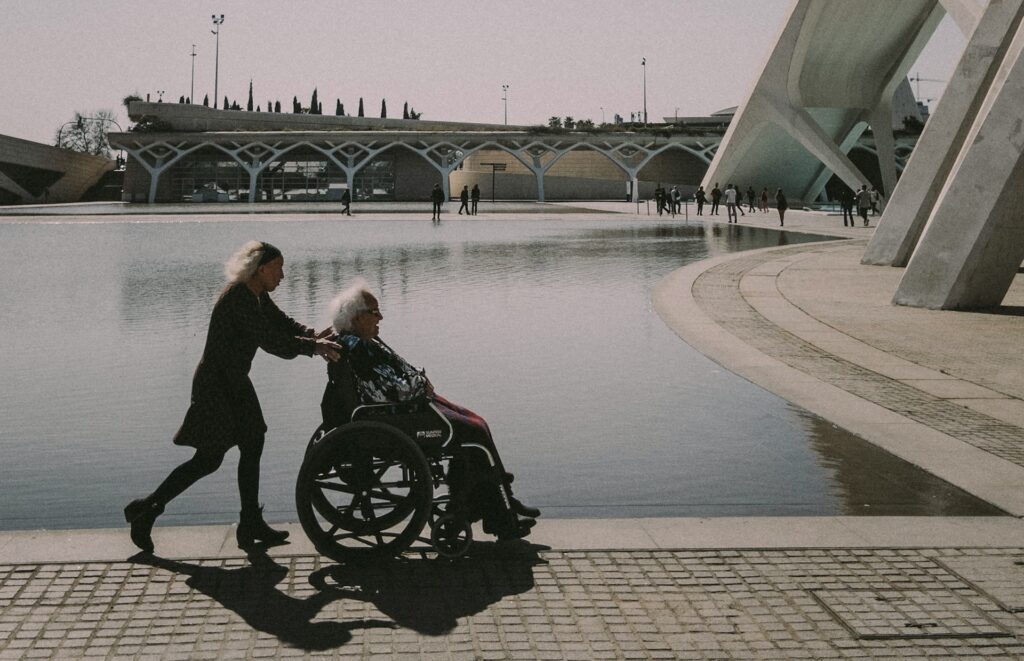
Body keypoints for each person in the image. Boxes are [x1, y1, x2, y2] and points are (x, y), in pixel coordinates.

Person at [124, 241, 343, 553]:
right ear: (261, 269)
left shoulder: (256, 294)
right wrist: (312, 347)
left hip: (234, 382)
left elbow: (282, 324)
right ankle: (147, 508)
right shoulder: (239, 296)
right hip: (216, 386)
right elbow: (269, 340)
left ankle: (250, 522)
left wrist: (314, 335)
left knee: (253, 441)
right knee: (208, 459)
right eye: (278, 269)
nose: (282, 276)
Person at [321, 280, 540, 541]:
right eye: (374, 312)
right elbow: (390, 391)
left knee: (476, 424)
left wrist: (419, 383)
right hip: (396, 418)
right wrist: (421, 382)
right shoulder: (357, 348)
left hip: (400, 413)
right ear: (356, 318)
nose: (381, 317)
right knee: (473, 433)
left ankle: (497, 503)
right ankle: (491, 510)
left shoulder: (359, 343)